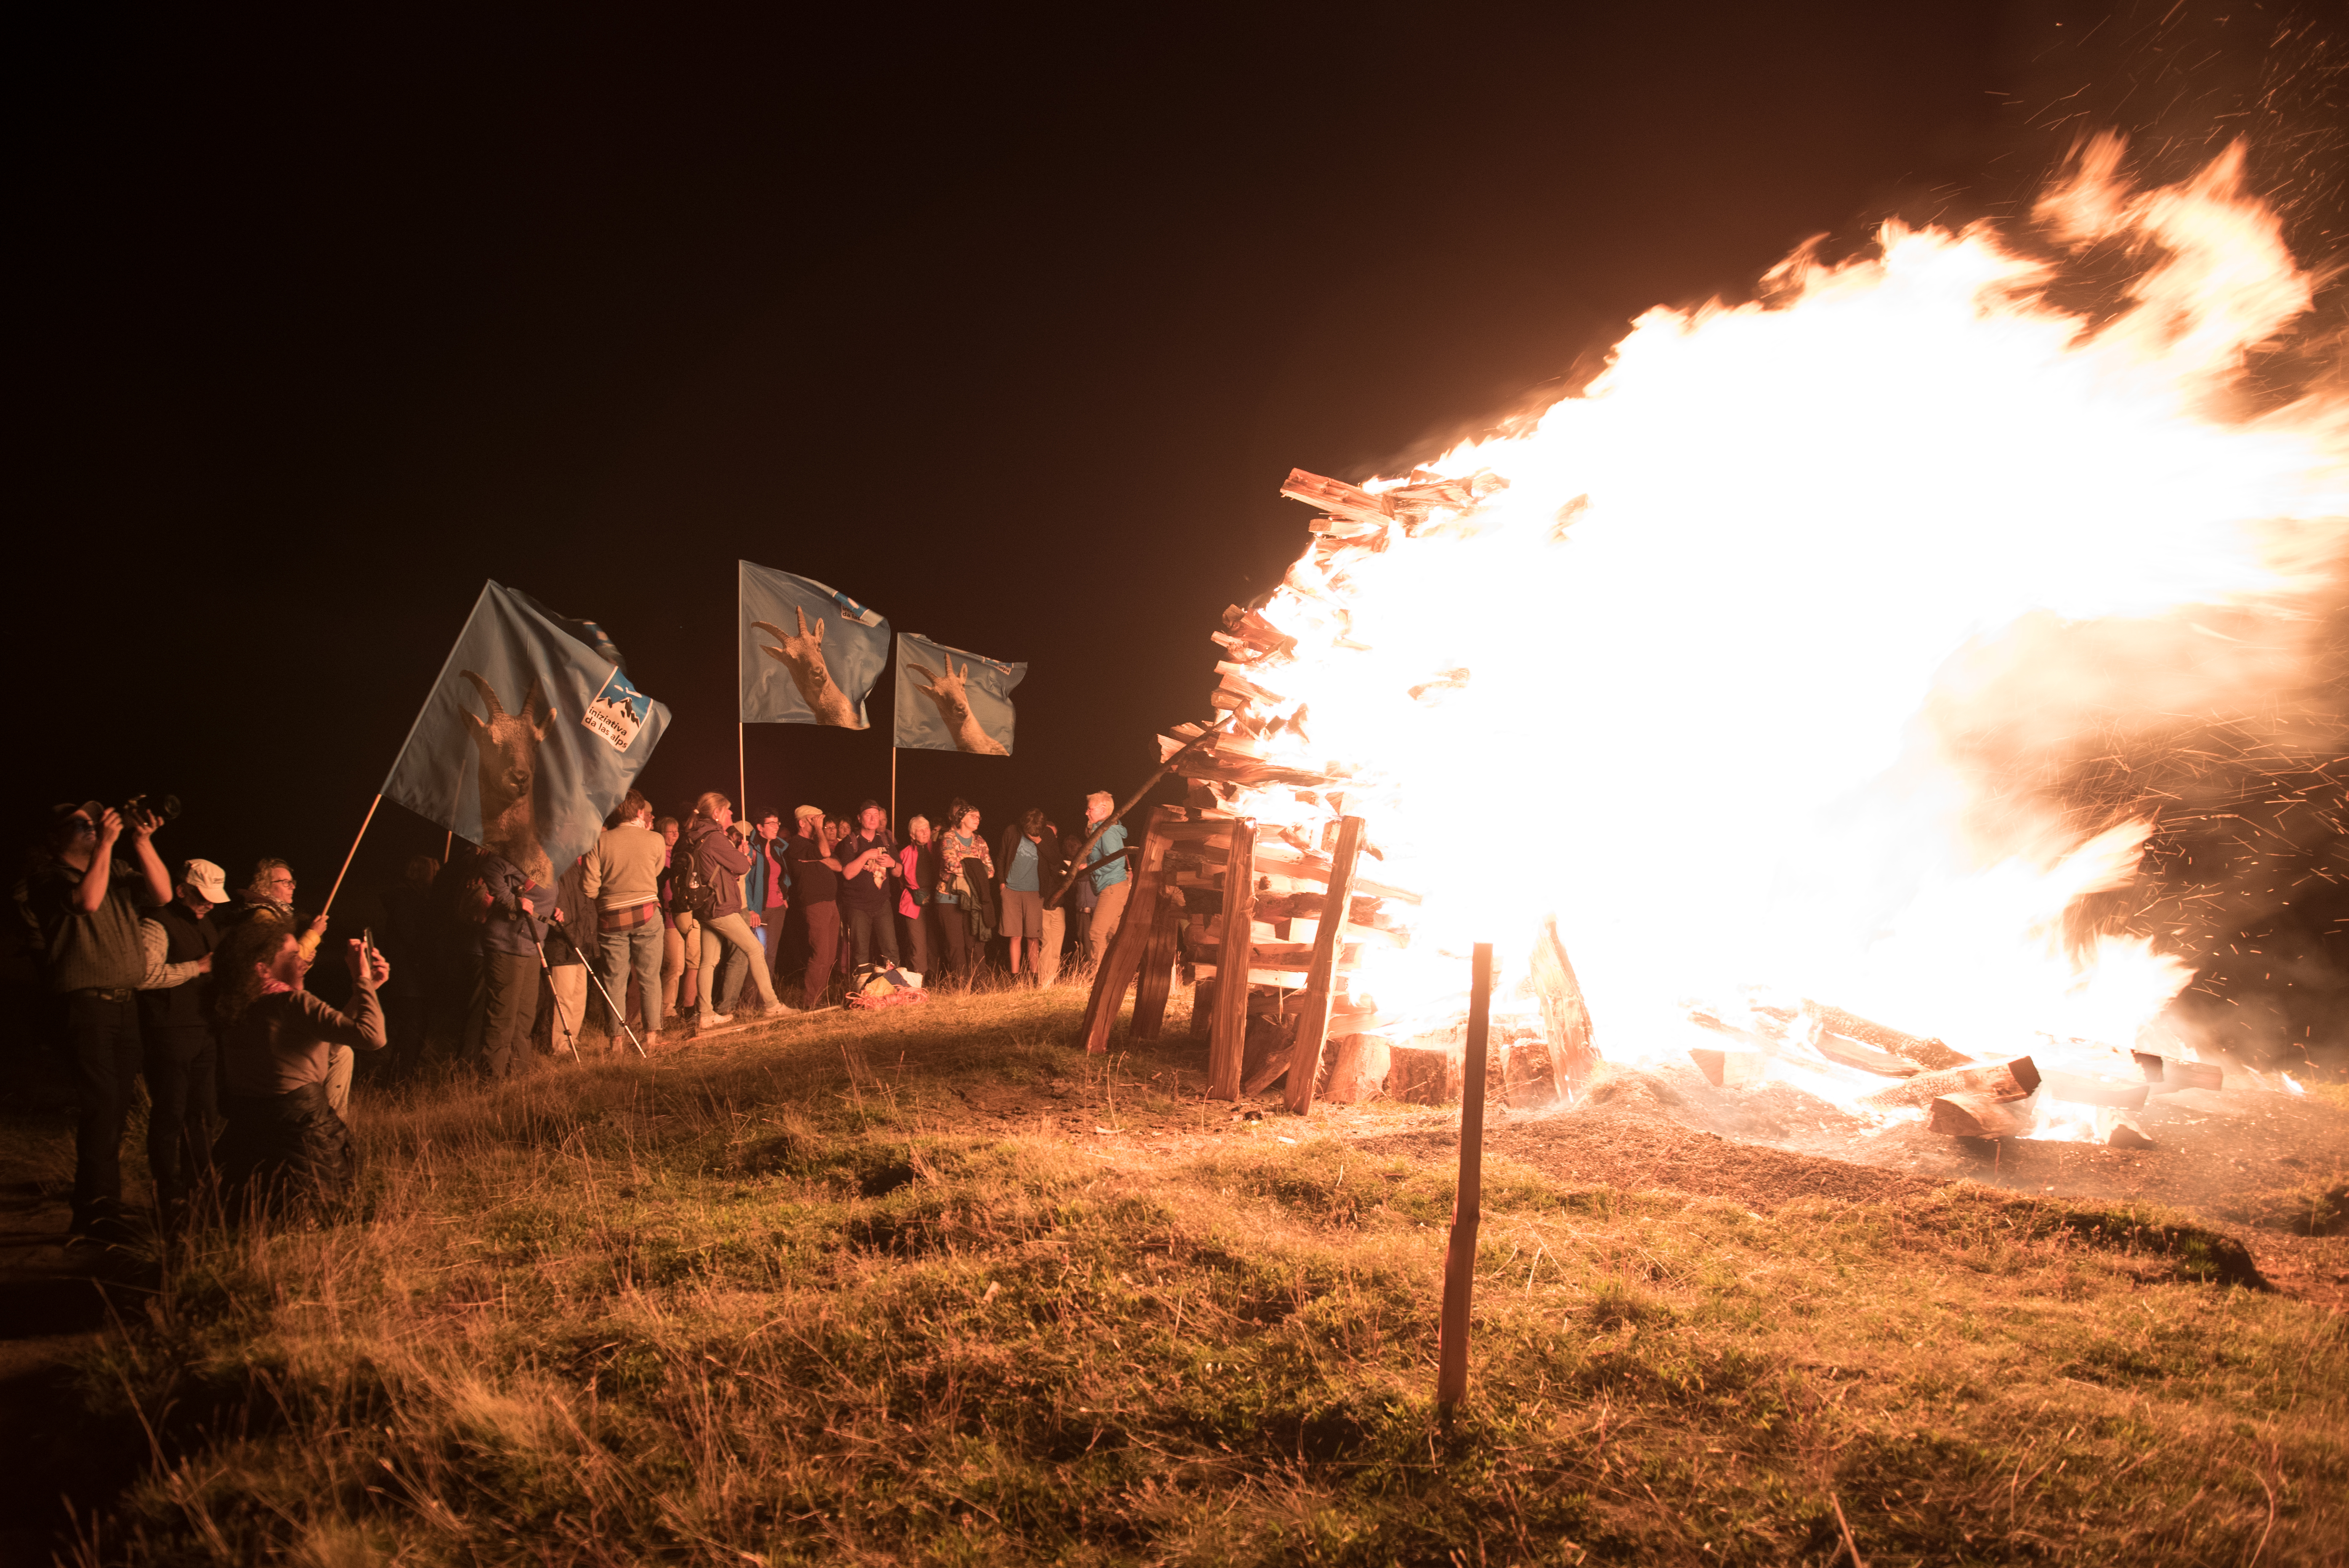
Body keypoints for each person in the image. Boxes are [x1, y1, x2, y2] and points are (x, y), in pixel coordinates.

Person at [22, 803, 172, 1243]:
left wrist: (142, 841)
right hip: (85, 1005)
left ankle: (92, 1210)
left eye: (95, 822)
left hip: (125, 1006)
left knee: (115, 1106)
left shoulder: (117, 867)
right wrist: (107, 841)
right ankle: (101, 1209)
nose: (92, 828)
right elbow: (87, 902)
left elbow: (163, 896)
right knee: (102, 1104)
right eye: (80, 824)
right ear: (55, 837)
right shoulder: (49, 878)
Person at [212, 922, 387, 1210]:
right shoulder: (292, 1003)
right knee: (316, 1213)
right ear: (262, 969)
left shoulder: (243, 1005)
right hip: (303, 1137)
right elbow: (373, 1037)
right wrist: (362, 980)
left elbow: (326, 1045)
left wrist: (368, 991)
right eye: (294, 955)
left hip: (252, 1139)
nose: (305, 961)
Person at [134, 857, 230, 1220]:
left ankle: (201, 1184)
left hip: (203, 1030)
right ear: (181, 890)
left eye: (213, 898)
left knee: (203, 1112)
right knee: (170, 1113)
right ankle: (168, 1191)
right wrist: (197, 968)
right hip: (169, 1032)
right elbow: (144, 977)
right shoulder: (156, 924)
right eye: (202, 896)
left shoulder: (207, 924)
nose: (208, 904)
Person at [683, 792, 785, 1028]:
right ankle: (773, 1006)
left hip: (704, 905)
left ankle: (707, 1014)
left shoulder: (696, 835)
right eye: (728, 810)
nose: (731, 814)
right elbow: (741, 867)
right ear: (717, 813)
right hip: (721, 905)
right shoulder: (715, 838)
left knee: (708, 961)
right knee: (755, 949)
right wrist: (742, 856)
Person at [581, 790, 665, 1051]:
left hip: (611, 916)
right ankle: (651, 1038)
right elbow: (656, 870)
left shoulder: (600, 841)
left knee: (614, 980)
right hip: (646, 913)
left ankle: (616, 1041)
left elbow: (588, 888)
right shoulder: (655, 839)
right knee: (649, 976)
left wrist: (605, 895)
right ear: (640, 812)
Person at [466, 845, 560, 1078]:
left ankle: (517, 1075)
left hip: (531, 943)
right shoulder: (522, 850)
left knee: (525, 1014)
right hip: (507, 944)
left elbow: (545, 892)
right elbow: (491, 868)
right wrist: (511, 901)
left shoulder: (549, 856)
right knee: (503, 1015)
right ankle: (493, 1080)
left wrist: (557, 909)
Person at [996, 808, 1067, 983]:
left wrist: (1039, 841)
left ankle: (1034, 977)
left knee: (1033, 936)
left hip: (1035, 891)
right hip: (1011, 889)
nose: (1031, 835)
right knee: (1015, 936)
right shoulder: (1012, 831)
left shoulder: (1047, 834)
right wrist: (1002, 884)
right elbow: (1002, 857)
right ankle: (1015, 978)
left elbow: (1056, 861)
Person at [784, 805, 844, 1006]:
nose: (818, 823)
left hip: (831, 902)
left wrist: (820, 858)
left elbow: (838, 865)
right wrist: (821, 845)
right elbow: (826, 852)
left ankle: (822, 998)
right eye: (813, 820)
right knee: (819, 953)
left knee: (829, 955)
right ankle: (811, 1001)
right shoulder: (796, 843)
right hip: (814, 903)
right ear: (802, 823)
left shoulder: (814, 845)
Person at [837, 801, 901, 975]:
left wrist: (892, 863)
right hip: (857, 906)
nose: (873, 819)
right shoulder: (850, 842)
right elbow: (847, 874)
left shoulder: (885, 840)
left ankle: (893, 990)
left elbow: (898, 872)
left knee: (891, 950)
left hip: (882, 904)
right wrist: (865, 855)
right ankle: (862, 993)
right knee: (860, 953)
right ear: (860, 818)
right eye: (868, 815)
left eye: (876, 815)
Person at [933, 800, 993, 982]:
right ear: (962, 819)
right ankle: (961, 986)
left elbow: (990, 871)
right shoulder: (949, 838)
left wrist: (967, 868)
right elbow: (951, 865)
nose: (978, 820)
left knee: (974, 943)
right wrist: (976, 869)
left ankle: (979, 984)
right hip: (948, 898)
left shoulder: (980, 841)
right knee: (956, 945)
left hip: (973, 900)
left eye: (979, 817)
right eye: (973, 816)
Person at [1079, 792, 1132, 967]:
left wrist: (1090, 867)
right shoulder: (1101, 829)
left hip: (1113, 886)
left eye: (1089, 809)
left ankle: (1099, 977)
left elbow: (1115, 860)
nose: (1086, 813)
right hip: (1111, 886)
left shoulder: (1107, 831)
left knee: (1096, 933)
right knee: (1114, 933)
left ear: (1103, 810)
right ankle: (1121, 971)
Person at [742, 810, 792, 995]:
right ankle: (749, 1000)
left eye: (777, 823)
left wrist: (784, 896)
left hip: (777, 908)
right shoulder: (751, 850)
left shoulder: (778, 848)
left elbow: (783, 876)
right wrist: (752, 910)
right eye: (771, 823)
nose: (776, 826)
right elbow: (745, 881)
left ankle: (766, 1000)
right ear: (760, 828)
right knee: (758, 955)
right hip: (760, 911)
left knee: (771, 955)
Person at [655, 815, 700, 1019]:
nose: (675, 835)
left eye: (677, 832)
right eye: (670, 832)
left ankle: (674, 1006)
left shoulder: (678, 854)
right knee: (674, 965)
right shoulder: (658, 856)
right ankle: (666, 1008)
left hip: (684, 913)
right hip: (668, 915)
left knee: (685, 964)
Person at [896, 816, 938, 977]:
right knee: (917, 942)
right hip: (913, 901)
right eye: (920, 830)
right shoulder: (905, 853)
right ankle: (919, 978)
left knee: (933, 941)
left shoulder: (936, 849)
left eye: (927, 829)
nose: (925, 833)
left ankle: (934, 976)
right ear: (912, 835)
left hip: (935, 899)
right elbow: (900, 881)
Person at [1060, 830, 1095, 964]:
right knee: (1089, 939)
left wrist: (1074, 873)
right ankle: (1090, 970)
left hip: (1087, 904)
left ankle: (1091, 970)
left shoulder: (1085, 858)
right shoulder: (1090, 855)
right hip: (1088, 902)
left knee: (1087, 939)